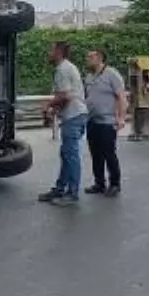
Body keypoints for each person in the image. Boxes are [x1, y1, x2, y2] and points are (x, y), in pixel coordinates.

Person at [38, 41, 89, 207]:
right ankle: (60, 189)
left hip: (73, 116)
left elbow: (65, 96)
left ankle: (71, 193)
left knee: (71, 155)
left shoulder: (62, 69)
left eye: (51, 50)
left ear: (59, 52)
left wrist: (48, 105)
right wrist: (54, 110)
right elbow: (67, 96)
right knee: (67, 154)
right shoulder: (67, 67)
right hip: (76, 115)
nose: (48, 53)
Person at [83, 50, 127, 197]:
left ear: (100, 58)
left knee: (109, 153)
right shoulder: (89, 76)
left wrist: (121, 117)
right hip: (92, 120)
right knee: (95, 154)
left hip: (108, 121)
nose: (88, 59)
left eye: (91, 57)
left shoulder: (111, 74)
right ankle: (99, 183)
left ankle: (115, 184)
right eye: (87, 57)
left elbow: (121, 97)